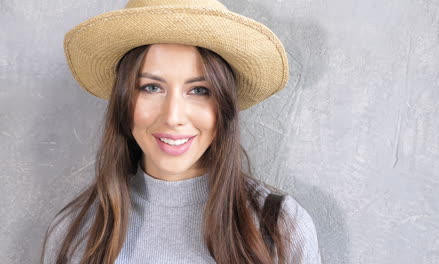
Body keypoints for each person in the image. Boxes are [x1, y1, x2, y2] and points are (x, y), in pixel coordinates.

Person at [40, 0, 322, 263]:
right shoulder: (75, 233)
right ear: (124, 100)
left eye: (199, 90)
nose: (173, 117)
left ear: (223, 106)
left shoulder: (279, 227)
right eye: (152, 87)